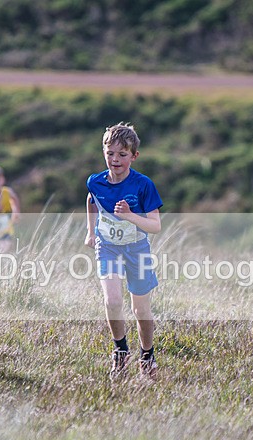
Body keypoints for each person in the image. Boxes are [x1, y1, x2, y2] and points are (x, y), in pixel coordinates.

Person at [85, 122, 162, 378]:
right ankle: (120, 351)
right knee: (113, 301)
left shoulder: (143, 185)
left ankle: (147, 355)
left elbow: (155, 226)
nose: (115, 159)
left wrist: (129, 216)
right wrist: (90, 231)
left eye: (122, 154)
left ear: (134, 156)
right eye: (110, 153)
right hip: (108, 247)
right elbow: (91, 200)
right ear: (103, 152)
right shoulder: (95, 182)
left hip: (137, 249)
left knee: (141, 310)